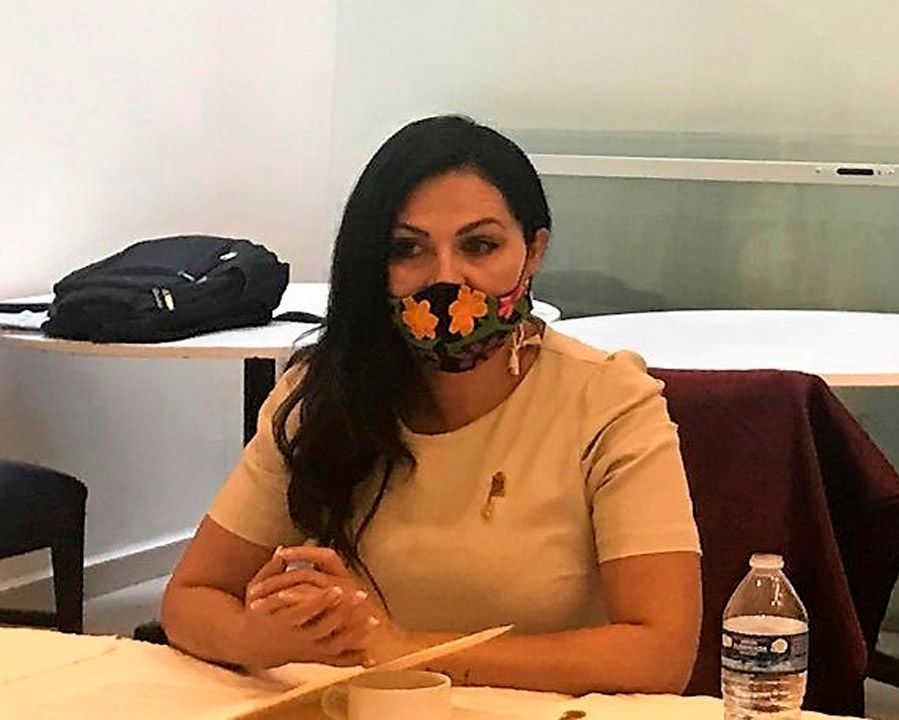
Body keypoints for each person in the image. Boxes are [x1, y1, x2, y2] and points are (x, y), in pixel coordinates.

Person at [161, 115, 702, 695]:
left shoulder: (610, 401)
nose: (446, 278)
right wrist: (260, 636)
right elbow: (189, 598)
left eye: (479, 245)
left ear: (534, 251)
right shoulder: (321, 393)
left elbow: (659, 654)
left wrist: (401, 649)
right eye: (408, 249)